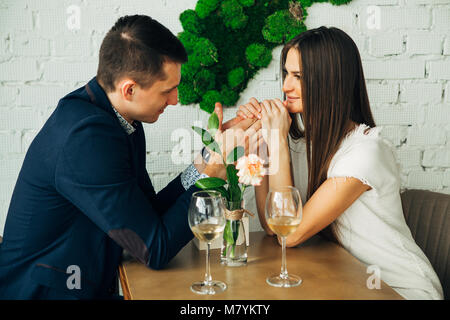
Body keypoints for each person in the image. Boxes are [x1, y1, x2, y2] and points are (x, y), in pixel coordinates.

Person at [0, 15, 258, 299]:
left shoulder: (120, 117)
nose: (175, 100)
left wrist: (206, 160)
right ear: (130, 89)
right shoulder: (86, 138)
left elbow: (149, 217)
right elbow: (154, 249)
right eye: (167, 90)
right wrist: (212, 176)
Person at [236, 26, 443, 300]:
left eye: (298, 76)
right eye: (286, 73)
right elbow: (274, 226)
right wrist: (260, 149)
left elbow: (292, 234)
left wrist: (276, 140)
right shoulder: (300, 145)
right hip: (347, 283)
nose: (286, 86)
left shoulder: (366, 151)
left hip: (400, 289)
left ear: (329, 81)